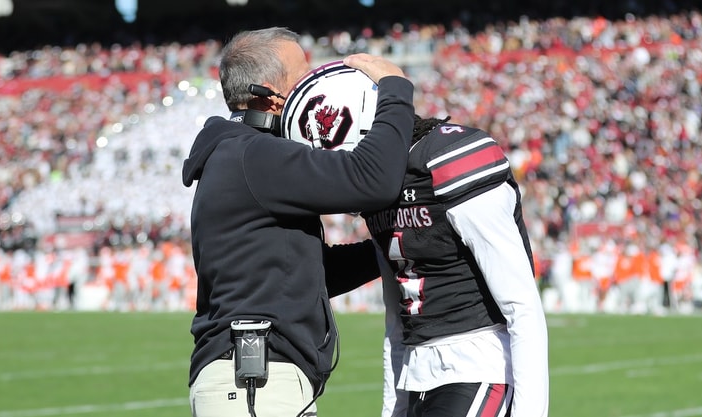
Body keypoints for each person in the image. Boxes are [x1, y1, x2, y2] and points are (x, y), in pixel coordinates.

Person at [181, 27, 415, 417]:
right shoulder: (253, 154)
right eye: (301, 77)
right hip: (255, 379)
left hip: (258, 377)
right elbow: (373, 179)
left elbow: (304, 273)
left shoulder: (239, 154)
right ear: (270, 94)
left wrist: (392, 247)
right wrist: (395, 88)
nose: (312, 84)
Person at [362, 115, 550, 417]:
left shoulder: (449, 161)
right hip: (417, 375)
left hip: (476, 365)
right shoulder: (382, 191)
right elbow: (397, 319)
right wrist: (394, 407)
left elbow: (522, 304)